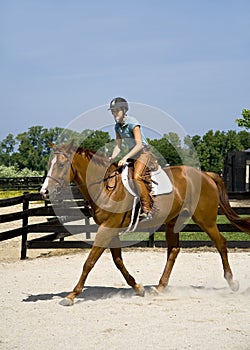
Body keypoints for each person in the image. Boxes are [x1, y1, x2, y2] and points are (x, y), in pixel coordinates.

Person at [109, 97, 154, 220]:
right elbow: (118, 146)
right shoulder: (117, 127)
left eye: (117, 111)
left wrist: (125, 157)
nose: (114, 114)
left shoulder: (133, 122)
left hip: (143, 152)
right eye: (112, 111)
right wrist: (111, 158)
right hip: (132, 154)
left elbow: (139, 145)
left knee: (136, 177)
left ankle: (147, 209)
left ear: (124, 110)